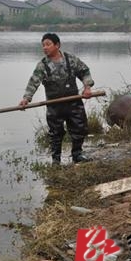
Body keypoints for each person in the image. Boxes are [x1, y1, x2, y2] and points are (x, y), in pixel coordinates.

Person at [19, 33, 94, 165]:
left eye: (48, 44)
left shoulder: (70, 59)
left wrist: (87, 87)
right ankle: (56, 161)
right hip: (54, 105)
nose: (45, 48)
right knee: (55, 133)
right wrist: (26, 98)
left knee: (79, 128)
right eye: (43, 45)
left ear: (57, 45)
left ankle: (77, 155)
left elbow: (84, 71)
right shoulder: (42, 65)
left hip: (73, 102)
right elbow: (33, 82)